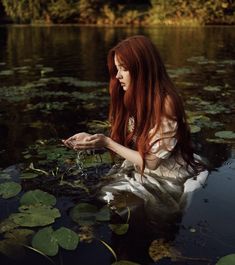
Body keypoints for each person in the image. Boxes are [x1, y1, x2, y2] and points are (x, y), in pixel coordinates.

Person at [63, 35, 208, 225]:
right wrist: (91, 140)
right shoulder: (134, 95)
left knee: (127, 208)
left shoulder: (166, 103)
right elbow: (130, 143)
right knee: (101, 195)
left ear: (142, 68)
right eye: (117, 69)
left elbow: (152, 162)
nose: (118, 76)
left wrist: (106, 142)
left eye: (123, 68)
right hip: (139, 166)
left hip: (166, 175)